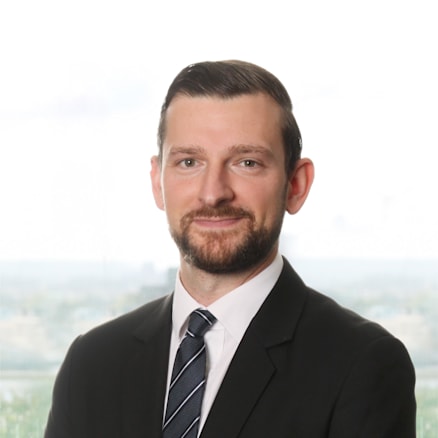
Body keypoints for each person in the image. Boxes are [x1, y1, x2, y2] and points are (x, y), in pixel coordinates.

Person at [45, 60, 416, 438]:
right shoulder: (92, 363)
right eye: (189, 162)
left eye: (247, 162)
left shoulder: (362, 365)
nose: (213, 192)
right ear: (158, 183)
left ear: (296, 185)